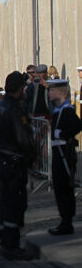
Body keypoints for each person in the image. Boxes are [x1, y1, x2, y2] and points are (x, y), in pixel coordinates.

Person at [0, 71, 36, 260]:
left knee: (4, 202)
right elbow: (23, 138)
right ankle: (11, 245)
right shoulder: (14, 109)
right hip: (14, 162)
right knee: (15, 204)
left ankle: (4, 239)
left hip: (0, 159)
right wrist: (31, 156)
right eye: (23, 87)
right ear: (19, 88)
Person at [47, 79, 82, 235]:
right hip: (58, 151)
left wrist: (63, 134)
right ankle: (64, 219)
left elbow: (77, 125)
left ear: (61, 92)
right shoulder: (58, 110)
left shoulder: (66, 110)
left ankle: (66, 221)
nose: (49, 93)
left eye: (52, 90)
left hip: (64, 152)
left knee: (64, 186)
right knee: (60, 186)